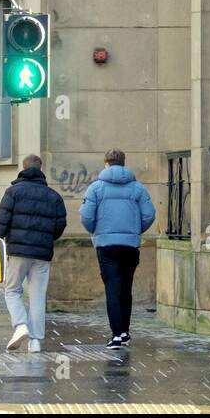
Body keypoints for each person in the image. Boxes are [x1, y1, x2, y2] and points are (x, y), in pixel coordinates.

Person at [80, 149, 155, 349]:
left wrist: (96, 231)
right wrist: (135, 231)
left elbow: (86, 216)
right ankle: (124, 332)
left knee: (112, 289)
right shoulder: (138, 188)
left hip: (106, 245)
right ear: (123, 163)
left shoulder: (95, 188)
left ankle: (115, 336)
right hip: (130, 245)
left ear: (106, 163)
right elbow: (149, 215)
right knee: (125, 288)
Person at [0, 154, 67, 353]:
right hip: (42, 253)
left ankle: (20, 325)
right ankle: (35, 341)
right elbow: (60, 226)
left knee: (12, 290)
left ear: (22, 169)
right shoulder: (53, 196)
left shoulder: (13, 192)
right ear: (40, 169)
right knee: (37, 296)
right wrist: (46, 239)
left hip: (17, 251)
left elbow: (2, 222)